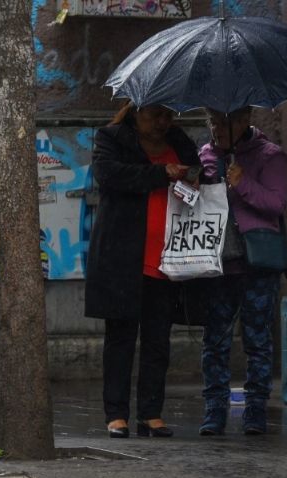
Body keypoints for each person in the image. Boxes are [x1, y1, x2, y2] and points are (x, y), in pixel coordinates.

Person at [85, 102, 201, 438]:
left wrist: (195, 176)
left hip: (168, 254)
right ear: (136, 111)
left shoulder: (179, 140)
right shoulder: (111, 138)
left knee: (158, 339)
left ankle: (151, 412)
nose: (163, 122)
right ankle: (116, 413)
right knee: (120, 337)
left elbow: (197, 173)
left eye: (169, 115)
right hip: (123, 255)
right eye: (156, 115)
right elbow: (109, 176)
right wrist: (160, 173)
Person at [197, 106, 287, 436]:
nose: (216, 129)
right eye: (212, 122)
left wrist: (243, 182)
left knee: (257, 337)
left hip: (257, 263)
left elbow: (276, 204)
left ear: (243, 119)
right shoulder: (205, 155)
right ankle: (215, 407)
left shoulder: (270, 156)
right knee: (215, 339)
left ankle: (255, 407)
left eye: (223, 122)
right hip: (219, 262)